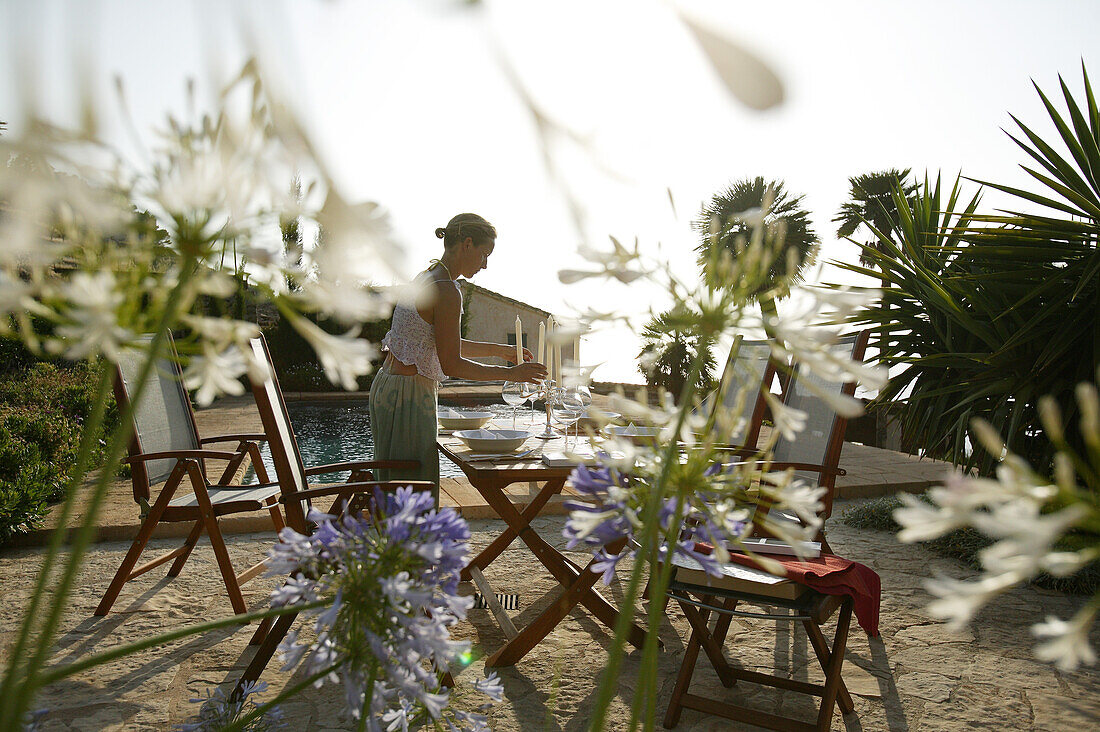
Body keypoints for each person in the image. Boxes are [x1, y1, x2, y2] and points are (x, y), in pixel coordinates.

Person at [370, 213, 547, 502]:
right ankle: (412, 547)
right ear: (467, 244)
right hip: (410, 396)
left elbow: (438, 341)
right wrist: (511, 375)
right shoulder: (446, 290)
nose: (485, 264)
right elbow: (451, 363)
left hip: (389, 388)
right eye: (484, 254)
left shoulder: (428, 276)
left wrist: (499, 351)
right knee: (414, 493)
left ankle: (396, 544)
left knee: (395, 488)